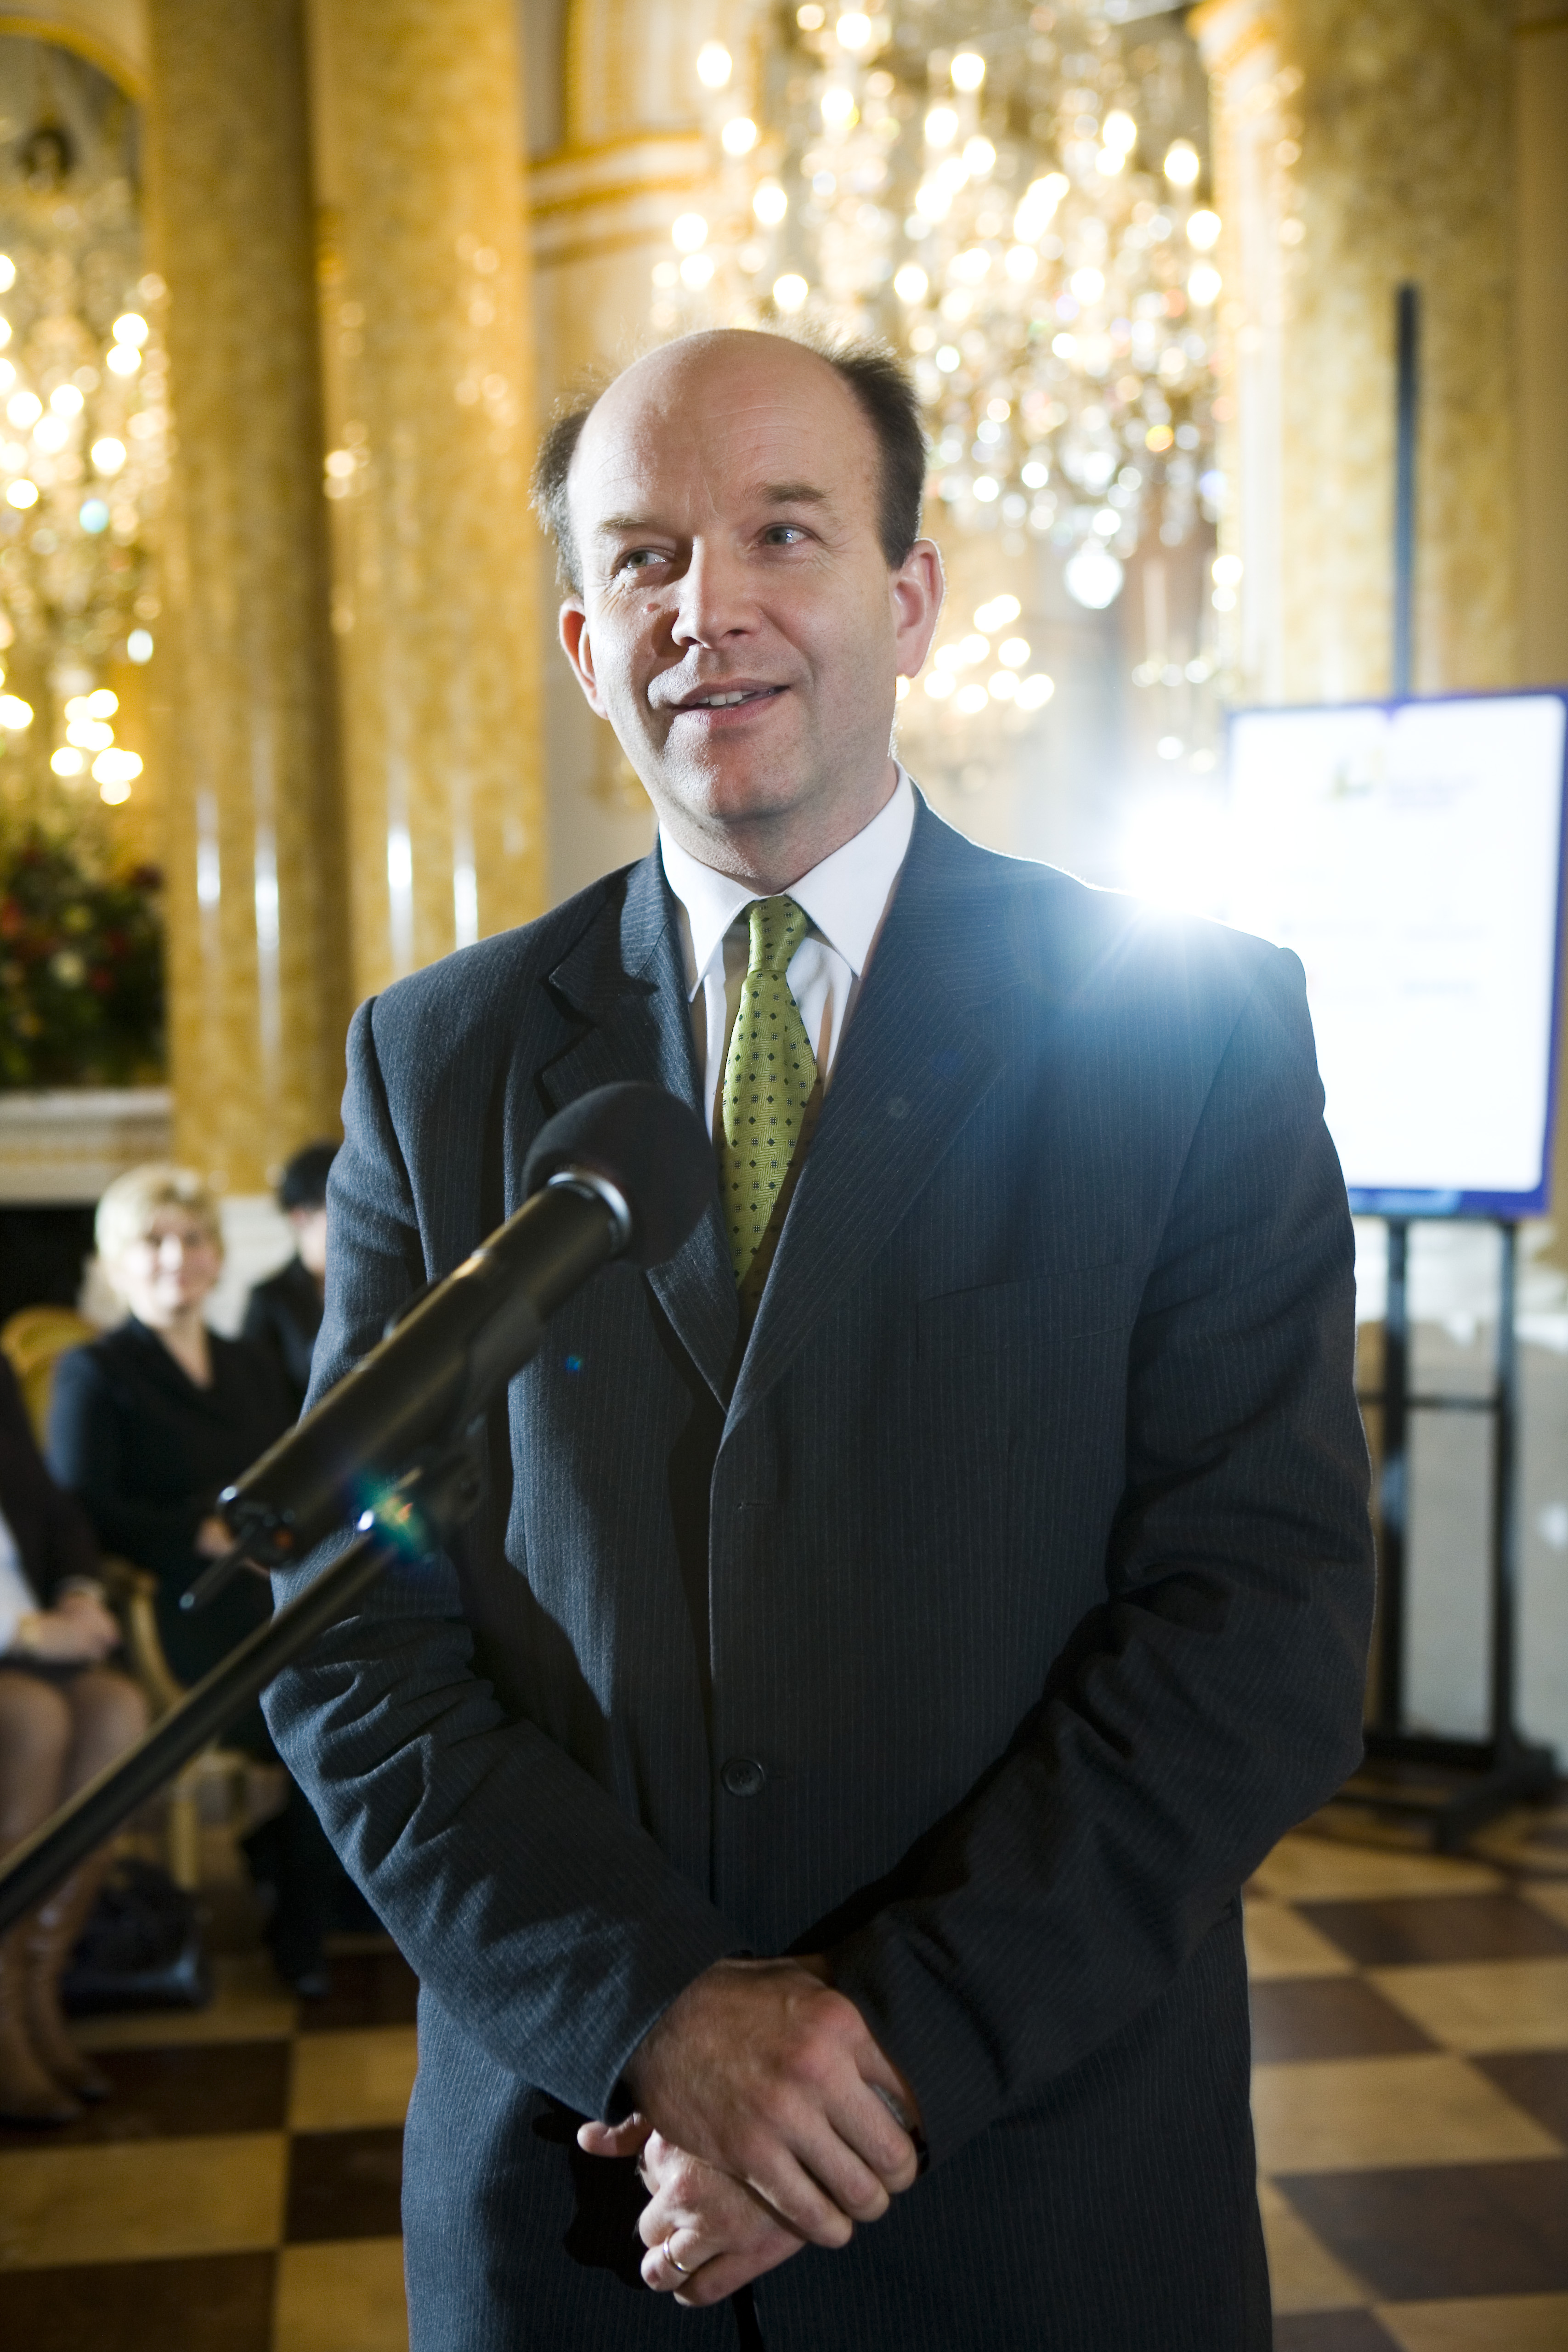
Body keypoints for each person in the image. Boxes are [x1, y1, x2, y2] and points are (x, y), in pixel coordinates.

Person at [264, 329, 1375, 2351]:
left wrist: (879, 2057)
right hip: (579, 2208)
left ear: (910, 597)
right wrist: (655, 2013)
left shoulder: (1193, 1031)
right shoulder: (439, 1062)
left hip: (1030, 2197)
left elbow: (1259, 1619)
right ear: (586, 645)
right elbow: (345, 1625)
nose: (712, 607)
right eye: (644, 558)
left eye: (784, 532)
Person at [47, 1165, 337, 1994]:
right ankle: (303, 1929)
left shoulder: (250, 1363)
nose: (177, 1257)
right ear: (117, 1262)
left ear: (218, 1256)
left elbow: (291, 1467)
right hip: (176, 1606)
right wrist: (197, 1535)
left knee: (359, 1671)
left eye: (195, 1238)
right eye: (154, 1241)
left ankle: (309, 1888)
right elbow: (84, 1508)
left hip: (266, 1589)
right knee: (314, 1702)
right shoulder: (94, 1370)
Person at [0, 1351, 146, 2123]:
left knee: (118, 1710)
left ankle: (38, 1986)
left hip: (30, 1638)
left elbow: (52, 1507)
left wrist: (81, 1593)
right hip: (15, 1644)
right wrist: (23, 1630)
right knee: (37, 1717)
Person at [243, 1140, 338, 1412]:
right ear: (300, 1217)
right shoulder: (270, 1299)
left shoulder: (378, 1283)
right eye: (338, 1209)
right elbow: (259, 1401)